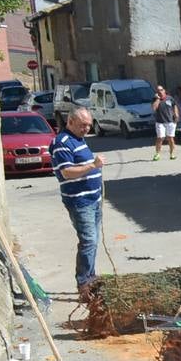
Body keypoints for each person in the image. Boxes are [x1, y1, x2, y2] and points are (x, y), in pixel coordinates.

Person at [50, 109, 106, 298]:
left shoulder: (79, 139)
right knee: (88, 241)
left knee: (93, 241)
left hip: (93, 199)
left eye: (89, 124)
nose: (87, 128)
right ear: (70, 121)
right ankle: (84, 284)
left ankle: (91, 277)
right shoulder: (62, 143)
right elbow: (67, 172)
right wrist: (93, 165)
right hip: (80, 201)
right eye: (83, 125)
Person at [151, 85, 179, 161]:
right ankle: (157, 154)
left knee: (170, 138)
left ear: (164, 90)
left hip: (170, 121)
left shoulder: (170, 98)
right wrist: (158, 99)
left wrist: (176, 114)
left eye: (161, 90)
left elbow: (174, 106)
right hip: (160, 122)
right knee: (160, 138)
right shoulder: (155, 99)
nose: (160, 91)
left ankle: (172, 154)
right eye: (158, 90)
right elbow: (154, 108)